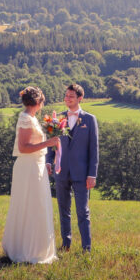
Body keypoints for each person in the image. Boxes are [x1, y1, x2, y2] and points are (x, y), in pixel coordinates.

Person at [2, 86, 59, 264]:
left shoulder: (32, 118)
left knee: (38, 205)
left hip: (37, 166)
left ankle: (36, 248)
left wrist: (45, 162)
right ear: (38, 102)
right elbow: (23, 148)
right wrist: (48, 143)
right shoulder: (26, 119)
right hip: (28, 168)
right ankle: (27, 250)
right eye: (43, 101)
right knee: (31, 205)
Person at [46, 83, 98, 252]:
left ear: (80, 98)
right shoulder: (57, 119)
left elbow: (94, 149)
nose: (67, 99)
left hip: (82, 174)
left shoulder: (90, 120)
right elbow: (51, 144)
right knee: (63, 210)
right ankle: (66, 244)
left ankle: (86, 248)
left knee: (83, 211)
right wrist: (48, 161)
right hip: (61, 172)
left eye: (71, 96)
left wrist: (92, 174)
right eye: (66, 96)